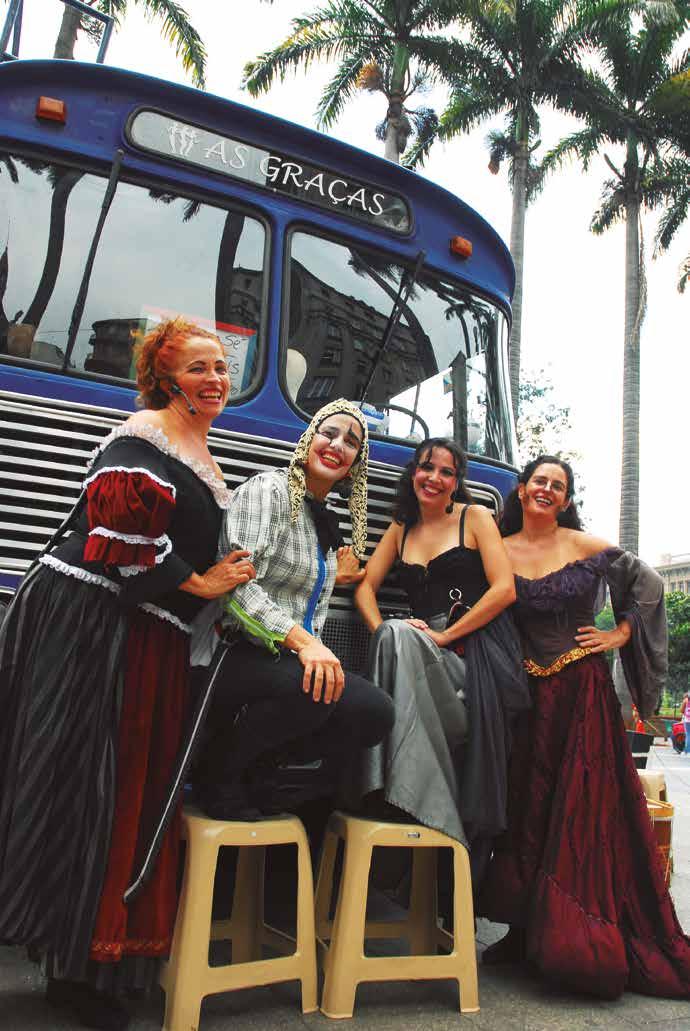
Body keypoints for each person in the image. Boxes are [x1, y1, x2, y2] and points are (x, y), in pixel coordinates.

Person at [0, 317, 256, 1030]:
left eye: (221, 367)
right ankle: (75, 967)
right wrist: (200, 583)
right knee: (85, 786)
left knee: (118, 792)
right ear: (166, 378)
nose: (215, 378)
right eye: (198, 367)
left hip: (145, 631)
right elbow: (118, 534)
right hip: (94, 621)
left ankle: (87, 964)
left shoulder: (198, 450)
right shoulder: (145, 433)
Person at [479, 455, 690, 999]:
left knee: (579, 808)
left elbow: (649, 586)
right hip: (525, 697)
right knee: (528, 808)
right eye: (540, 481)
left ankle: (579, 937)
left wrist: (619, 634)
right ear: (521, 489)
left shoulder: (585, 546)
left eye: (558, 485)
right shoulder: (497, 549)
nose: (547, 490)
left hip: (581, 694)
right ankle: (524, 930)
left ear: (566, 499)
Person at [195, 398, 395, 820]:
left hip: (284, 661)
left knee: (374, 713)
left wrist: (333, 581)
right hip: (233, 650)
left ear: (356, 464)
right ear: (308, 439)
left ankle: (263, 769)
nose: (338, 445)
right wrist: (306, 645)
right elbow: (237, 587)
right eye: (329, 433)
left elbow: (296, 590)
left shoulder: (322, 516)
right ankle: (218, 771)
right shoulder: (268, 491)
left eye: (351, 442)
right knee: (314, 688)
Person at [353, 438, 530, 877]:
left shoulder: (476, 517)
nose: (434, 478)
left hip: (475, 654)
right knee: (396, 632)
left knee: (400, 634)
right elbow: (365, 587)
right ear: (413, 473)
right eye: (426, 467)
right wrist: (384, 635)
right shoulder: (401, 526)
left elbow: (504, 589)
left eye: (446, 472)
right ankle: (392, 799)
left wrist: (444, 635)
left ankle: (400, 799)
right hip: (417, 649)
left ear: (456, 482)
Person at [682, 692, 690, 756]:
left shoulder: (685, 701)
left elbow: (681, 710)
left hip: (687, 720)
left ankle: (687, 751)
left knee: (688, 735)